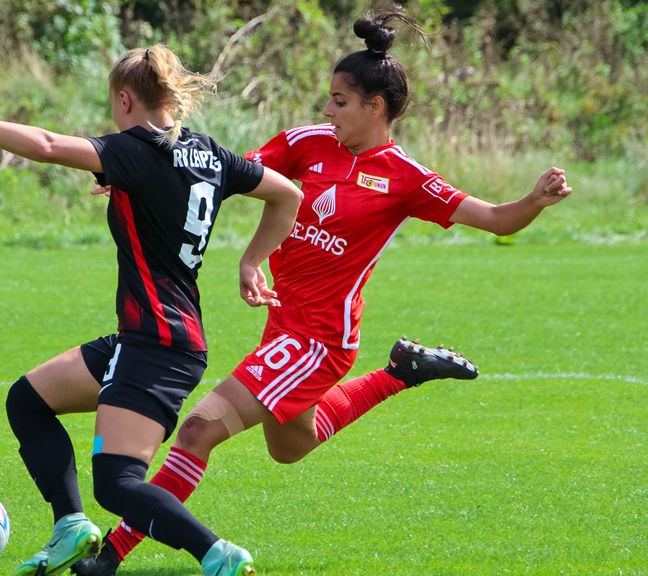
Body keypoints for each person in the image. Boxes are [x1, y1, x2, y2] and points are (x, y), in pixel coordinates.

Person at [74, 11, 573, 576]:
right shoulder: (306, 143)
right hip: (283, 325)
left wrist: (533, 200)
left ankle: (113, 555)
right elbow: (214, 175)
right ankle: (399, 373)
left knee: (198, 430)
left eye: (339, 100)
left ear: (374, 107)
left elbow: (497, 219)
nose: (327, 110)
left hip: (319, 338)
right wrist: (133, 173)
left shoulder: (406, 177)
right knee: (289, 446)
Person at [0, 45, 303, 576]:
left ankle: (219, 555)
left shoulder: (135, 149)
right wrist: (251, 262)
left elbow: (49, 145)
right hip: (153, 337)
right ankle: (71, 527)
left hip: (158, 343)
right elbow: (287, 194)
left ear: (125, 100)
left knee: (119, 485)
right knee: (28, 400)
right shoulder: (209, 154)